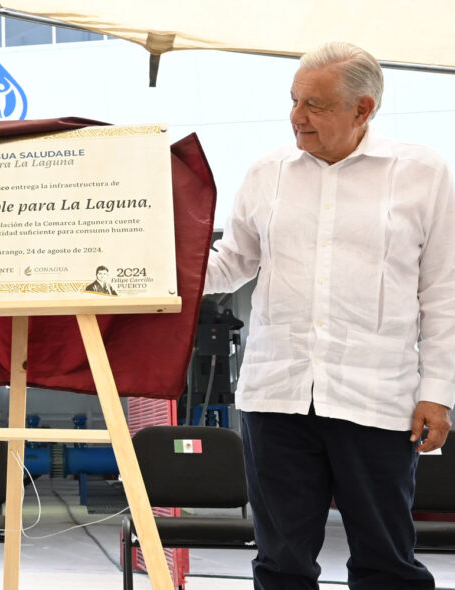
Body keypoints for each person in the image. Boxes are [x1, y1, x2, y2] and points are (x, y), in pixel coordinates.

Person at [204, 42, 454, 590]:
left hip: (376, 398)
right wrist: (153, 270)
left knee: (386, 564)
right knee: (280, 565)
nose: (297, 117)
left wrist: (437, 390)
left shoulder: (423, 174)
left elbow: (443, 292)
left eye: (314, 105)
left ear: (363, 109)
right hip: (278, 394)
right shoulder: (268, 172)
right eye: (294, 101)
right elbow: (231, 264)